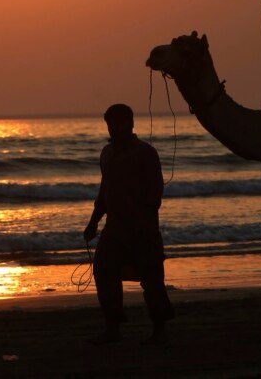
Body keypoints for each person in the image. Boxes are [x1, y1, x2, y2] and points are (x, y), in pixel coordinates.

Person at [84, 103, 174, 345]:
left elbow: (155, 192)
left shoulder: (145, 153)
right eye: (111, 125)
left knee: (152, 280)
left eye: (118, 124)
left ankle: (160, 330)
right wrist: (93, 222)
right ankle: (113, 328)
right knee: (103, 271)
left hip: (142, 228)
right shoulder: (107, 153)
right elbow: (105, 192)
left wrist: (144, 224)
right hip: (114, 228)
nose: (114, 129)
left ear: (131, 124)